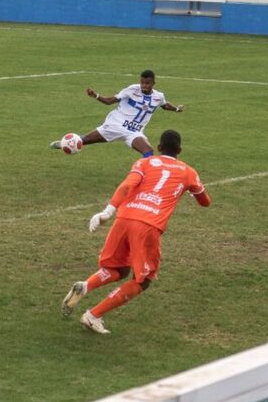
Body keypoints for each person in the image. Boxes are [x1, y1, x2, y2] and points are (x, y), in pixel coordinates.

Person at [61, 129, 210, 334]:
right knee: (143, 280)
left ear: (158, 148)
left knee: (119, 269)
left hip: (123, 218)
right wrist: (194, 193)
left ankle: (86, 286)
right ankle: (93, 315)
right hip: (148, 226)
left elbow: (126, 185)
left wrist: (107, 212)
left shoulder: (144, 163)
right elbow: (205, 202)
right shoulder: (188, 172)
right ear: (180, 150)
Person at [48, 70, 184, 157]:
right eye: (142, 82)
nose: (144, 85)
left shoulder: (158, 96)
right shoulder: (132, 90)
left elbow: (164, 105)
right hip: (115, 125)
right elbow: (110, 101)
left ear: (153, 83)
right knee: (83, 141)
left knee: (148, 151)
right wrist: (96, 95)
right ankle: (63, 144)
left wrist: (176, 109)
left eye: (147, 83)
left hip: (133, 132)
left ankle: (147, 175)